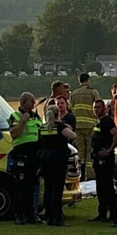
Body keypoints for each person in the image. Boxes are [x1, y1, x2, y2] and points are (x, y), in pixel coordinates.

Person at [37, 105, 77, 226]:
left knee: (48, 188)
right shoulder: (60, 126)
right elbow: (72, 135)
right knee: (57, 189)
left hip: (45, 159)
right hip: (57, 159)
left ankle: (49, 216)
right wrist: (67, 126)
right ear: (57, 114)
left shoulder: (43, 127)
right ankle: (57, 217)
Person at [8, 92, 42, 225]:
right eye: (31, 101)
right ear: (23, 102)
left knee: (31, 186)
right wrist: (23, 121)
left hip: (34, 156)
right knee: (20, 187)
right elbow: (14, 134)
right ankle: (19, 215)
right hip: (21, 155)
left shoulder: (36, 116)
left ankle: (31, 215)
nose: (34, 103)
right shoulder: (15, 116)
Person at [89, 98, 117, 222]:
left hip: (105, 160)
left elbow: (116, 136)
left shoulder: (107, 121)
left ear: (104, 109)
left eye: (98, 107)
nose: (96, 109)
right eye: (94, 107)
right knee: (100, 188)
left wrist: (109, 150)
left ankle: (112, 213)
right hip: (97, 159)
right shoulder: (98, 122)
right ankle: (102, 213)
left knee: (107, 187)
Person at [69, 73, 102, 178]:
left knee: (80, 151)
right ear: (88, 80)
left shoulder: (73, 93)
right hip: (91, 125)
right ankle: (90, 175)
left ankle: (80, 174)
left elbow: (70, 109)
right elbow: (99, 106)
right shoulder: (93, 92)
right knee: (89, 150)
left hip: (78, 126)